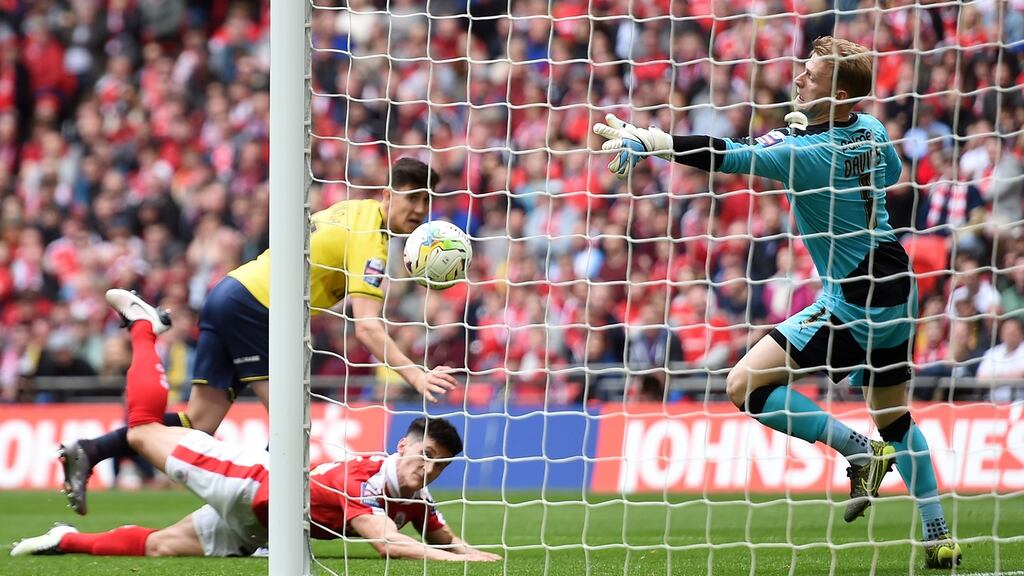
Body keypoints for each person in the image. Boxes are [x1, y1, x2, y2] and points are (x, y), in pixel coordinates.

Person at [592, 36, 961, 568]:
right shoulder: (873, 129)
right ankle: (938, 532)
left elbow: (731, 156)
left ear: (838, 94)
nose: (799, 77)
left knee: (743, 383)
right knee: (896, 416)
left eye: (811, 75)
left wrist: (654, 140)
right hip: (898, 289)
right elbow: (892, 177)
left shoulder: (806, 155)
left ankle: (856, 449)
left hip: (852, 296)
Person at [60, 157, 459, 516]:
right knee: (291, 420)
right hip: (256, 308)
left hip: (232, 294)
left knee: (197, 423)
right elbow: (367, 326)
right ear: (389, 195)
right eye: (412, 199)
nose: (420, 211)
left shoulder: (356, 212)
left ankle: (92, 450)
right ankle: (269, 523)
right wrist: (416, 375)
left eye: (427, 203)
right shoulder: (371, 238)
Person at [13, 290, 498, 562]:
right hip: (251, 486)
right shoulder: (366, 478)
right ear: (402, 446)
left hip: (261, 528)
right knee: (141, 430)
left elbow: (442, 535)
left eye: (438, 468)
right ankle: (144, 326)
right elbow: (387, 541)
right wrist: (457, 562)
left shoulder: (415, 496)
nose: (427, 471)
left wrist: (472, 551)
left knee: (161, 547)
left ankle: (62, 539)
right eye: (425, 457)